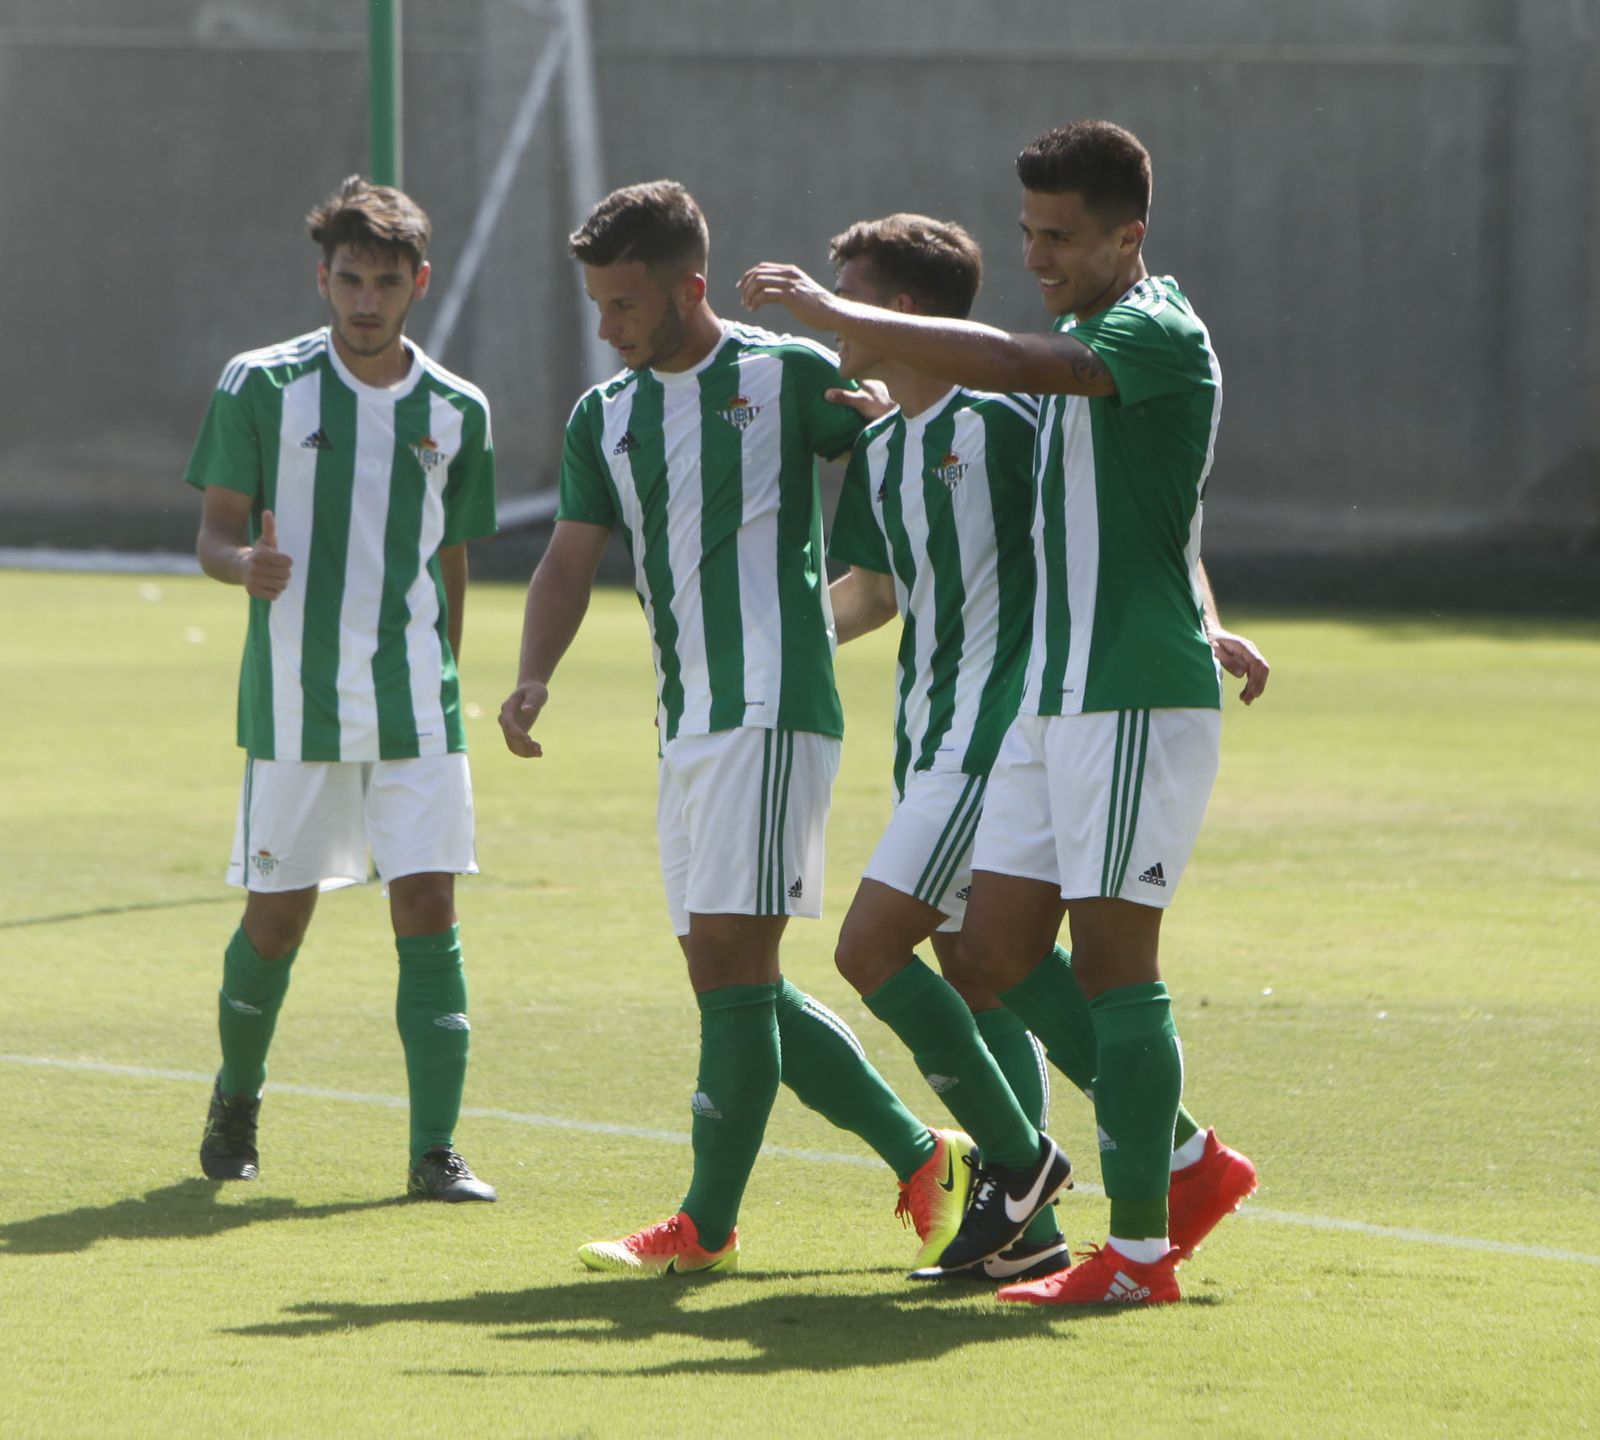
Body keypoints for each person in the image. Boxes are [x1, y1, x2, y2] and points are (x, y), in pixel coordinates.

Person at [740, 119, 1268, 1305]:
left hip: (1128, 691)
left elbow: (1032, 373)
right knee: (990, 951)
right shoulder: (1080, 327)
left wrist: (841, 319)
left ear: (1129, 235)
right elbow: (1140, 501)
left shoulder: (1149, 328)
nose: (1038, 255)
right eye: (1028, 231)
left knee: (1114, 966)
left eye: (1061, 236)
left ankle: (1135, 1253)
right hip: (1051, 700)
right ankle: (1183, 1157)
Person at [498, 180, 973, 1276]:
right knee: (729, 976)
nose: (608, 328)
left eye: (624, 305)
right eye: (597, 306)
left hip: (769, 711)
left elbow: (905, 448)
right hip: (688, 719)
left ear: (688, 288)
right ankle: (921, 1155)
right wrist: (534, 675)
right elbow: (570, 554)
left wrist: (841, 611)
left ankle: (705, 1227)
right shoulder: (602, 415)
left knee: (733, 963)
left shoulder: (787, 372)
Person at [187, 176, 498, 1203]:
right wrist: (244, 569)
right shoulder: (260, 385)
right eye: (350, 281)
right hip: (294, 703)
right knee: (276, 920)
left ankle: (436, 1151)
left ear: (419, 283)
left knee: (429, 910)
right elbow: (215, 532)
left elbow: (450, 558)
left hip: (418, 706)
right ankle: (236, 1100)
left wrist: (448, 675)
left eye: (386, 283)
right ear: (324, 279)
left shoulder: (457, 410)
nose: (366, 301)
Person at [823, 213, 1074, 1283]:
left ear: (902, 314)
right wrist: (742, 636)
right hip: (926, 738)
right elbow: (873, 595)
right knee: (979, 974)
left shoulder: (1013, 421)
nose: (830, 317)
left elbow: (1105, 541)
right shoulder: (882, 446)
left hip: (999, 737)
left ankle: (1035, 1167)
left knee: (869, 951)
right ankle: (1031, 1233)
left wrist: (1196, 621)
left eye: (848, 297)